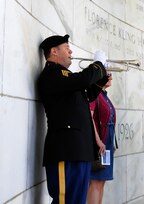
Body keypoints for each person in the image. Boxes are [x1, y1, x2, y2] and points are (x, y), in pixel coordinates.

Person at [37, 34, 109, 204]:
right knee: (66, 200)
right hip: (65, 149)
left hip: (78, 149)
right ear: (54, 52)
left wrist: (102, 77)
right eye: (66, 48)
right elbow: (82, 80)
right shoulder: (51, 74)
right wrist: (98, 65)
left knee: (76, 200)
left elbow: (86, 94)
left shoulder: (66, 78)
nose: (71, 51)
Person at [87, 70, 117, 204]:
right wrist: (98, 140)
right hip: (101, 142)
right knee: (96, 180)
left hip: (108, 141)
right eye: (107, 73)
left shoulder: (104, 95)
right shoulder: (95, 94)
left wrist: (113, 142)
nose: (110, 76)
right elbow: (89, 116)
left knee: (102, 180)